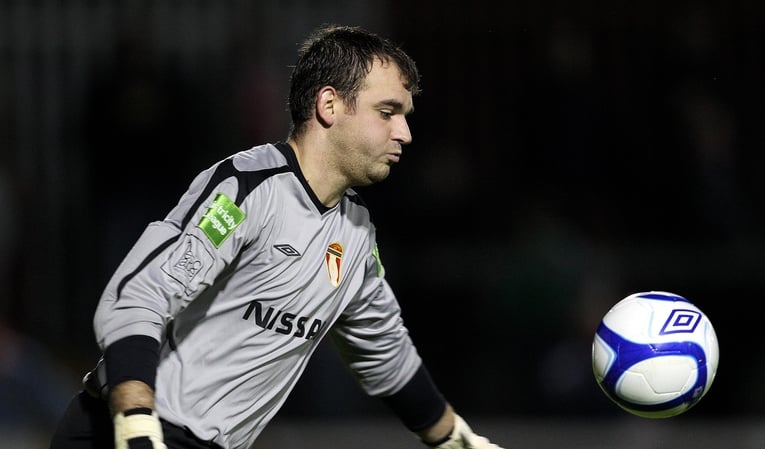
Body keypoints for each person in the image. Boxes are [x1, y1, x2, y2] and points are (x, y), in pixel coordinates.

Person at [49, 24, 504, 449]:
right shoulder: (248, 189)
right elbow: (139, 298)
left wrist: (458, 440)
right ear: (329, 105)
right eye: (387, 112)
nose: (404, 132)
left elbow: (386, 354)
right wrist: (137, 426)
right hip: (121, 429)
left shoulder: (356, 233)